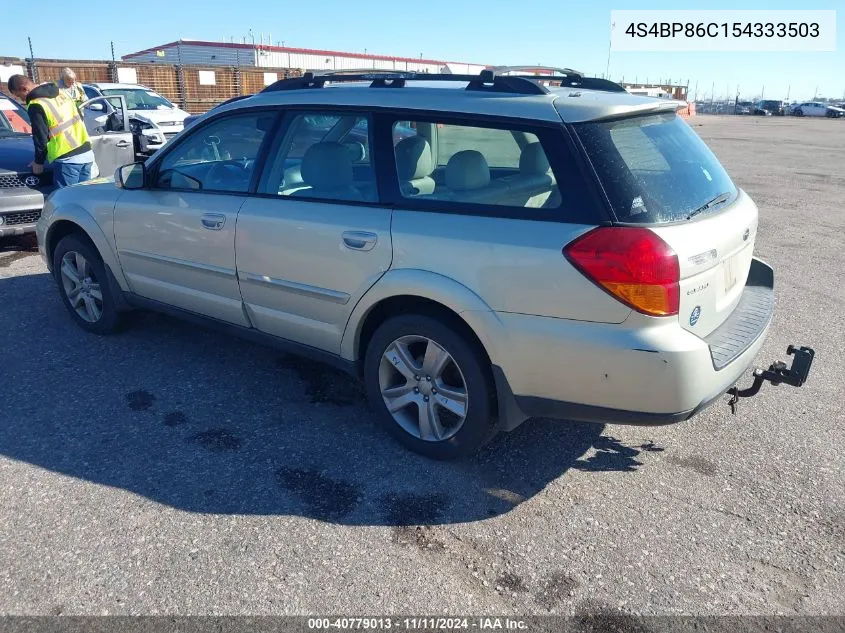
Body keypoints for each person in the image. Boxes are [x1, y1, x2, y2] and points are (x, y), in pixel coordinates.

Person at [6, 74, 95, 188]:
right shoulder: (61, 92)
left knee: (65, 201)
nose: (22, 100)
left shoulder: (36, 104)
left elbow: (40, 137)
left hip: (67, 160)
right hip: (86, 152)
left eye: (19, 96)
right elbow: (79, 117)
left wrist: (39, 162)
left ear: (24, 88)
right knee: (82, 198)